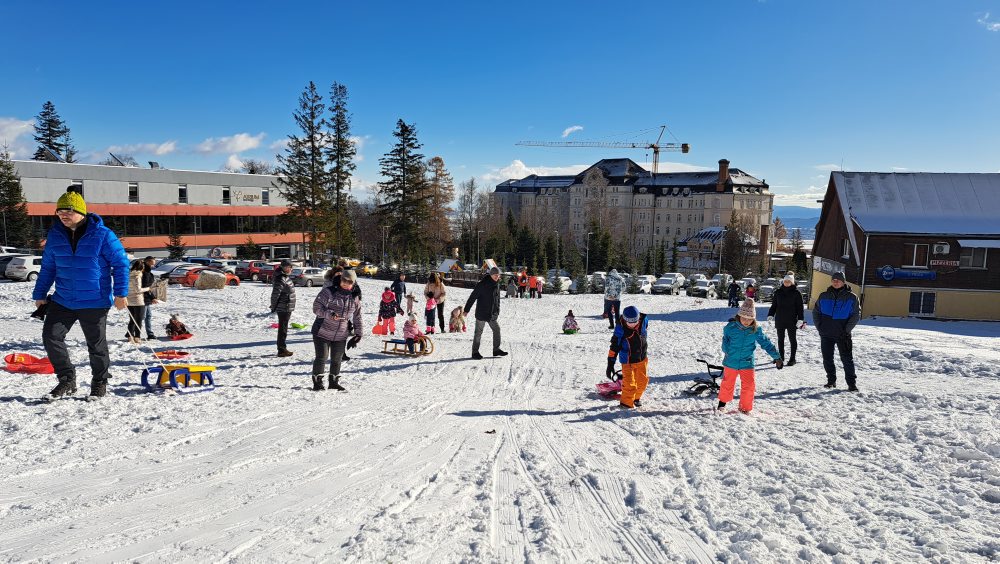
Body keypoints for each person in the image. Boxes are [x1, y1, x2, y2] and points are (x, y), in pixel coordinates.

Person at [32, 188, 130, 400]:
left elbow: (121, 264)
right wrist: (40, 294)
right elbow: (48, 267)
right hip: (63, 299)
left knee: (96, 345)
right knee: (51, 336)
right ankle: (67, 380)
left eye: (67, 211)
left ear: (81, 211)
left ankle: (99, 382)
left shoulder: (103, 235)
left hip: (95, 301)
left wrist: (121, 293)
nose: (62, 216)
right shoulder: (55, 235)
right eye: (59, 212)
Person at [718, 299, 782, 414]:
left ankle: (745, 407)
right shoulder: (730, 328)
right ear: (739, 316)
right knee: (727, 383)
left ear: (753, 319)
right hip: (731, 361)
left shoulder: (755, 330)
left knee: (749, 385)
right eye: (744, 318)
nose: (746, 321)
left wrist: (776, 356)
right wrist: (727, 351)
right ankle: (722, 403)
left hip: (747, 362)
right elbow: (725, 342)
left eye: (749, 319)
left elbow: (766, 343)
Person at [311, 269, 362, 391]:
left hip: (341, 333)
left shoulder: (354, 297)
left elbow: (357, 316)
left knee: (337, 358)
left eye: (349, 281)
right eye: (344, 280)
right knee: (322, 357)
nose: (346, 283)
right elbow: (316, 308)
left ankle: (333, 382)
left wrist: (358, 334)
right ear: (340, 279)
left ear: (353, 283)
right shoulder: (328, 292)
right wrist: (329, 314)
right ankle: (317, 382)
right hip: (322, 330)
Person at [813, 271, 861, 391]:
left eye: (838, 280)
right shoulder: (823, 295)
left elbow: (855, 315)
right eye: (834, 280)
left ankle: (851, 384)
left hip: (843, 335)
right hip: (826, 333)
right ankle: (831, 381)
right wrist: (820, 327)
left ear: (843, 282)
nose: (835, 282)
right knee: (827, 358)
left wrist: (846, 330)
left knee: (847, 359)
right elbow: (816, 312)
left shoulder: (852, 297)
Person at [606, 305, 649, 409]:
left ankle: (636, 398)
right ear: (625, 320)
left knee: (642, 382)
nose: (632, 325)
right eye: (630, 323)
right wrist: (610, 363)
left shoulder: (644, 321)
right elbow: (614, 346)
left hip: (642, 359)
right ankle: (626, 404)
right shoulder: (620, 329)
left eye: (635, 322)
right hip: (627, 361)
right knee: (629, 384)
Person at [464, 266, 507, 360]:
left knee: (497, 330)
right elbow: (472, 297)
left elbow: (497, 299)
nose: (497, 276)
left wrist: (497, 310)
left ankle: (496, 350)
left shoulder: (497, 284)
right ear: (491, 275)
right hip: (482, 313)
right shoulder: (482, 284)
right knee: (478, 333)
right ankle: (475, 352)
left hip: (492, 314)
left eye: (498, 275)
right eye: (495, 275)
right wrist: (466, 310)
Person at [767, 273, 805, 366]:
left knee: (792, 339)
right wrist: (771, 314)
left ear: (792, 282)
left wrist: (800, 319)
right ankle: (781, 357)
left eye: (788, 281)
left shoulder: (796, 293)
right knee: (780, 339)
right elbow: (774, 305)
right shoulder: (778, 292)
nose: (786, 283)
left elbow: (800, 308)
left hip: (792, 320)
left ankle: (792, 359)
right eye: (785, 281)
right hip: (780, 319)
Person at [270, 259, 296, 357]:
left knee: (283, 328)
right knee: (283, 329)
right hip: (284, 306)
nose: (291, 269)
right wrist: (273, 307)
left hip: (287, 306)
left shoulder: (284, 277)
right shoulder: (281, 278)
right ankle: (281, 349)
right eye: (289, 267)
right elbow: (275, 294)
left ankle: (282, 348)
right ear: (284, 267)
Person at [125, 259, 149, 343]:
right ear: (142, 267)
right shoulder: (137, 275)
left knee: (132, 319)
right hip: (137, 300)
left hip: (129, 299)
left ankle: (129, 335)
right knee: (139, 319)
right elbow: (138, 289)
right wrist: (148, 288)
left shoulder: (128, 275)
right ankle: (137, 336)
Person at [142, 256, 159, 339]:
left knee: (148, 316)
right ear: (147, 262)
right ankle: (132, 333)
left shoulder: (149, 272)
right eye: (152, 264)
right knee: (142, 317)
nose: (153, 266)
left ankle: (150, 334)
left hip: (147, 298)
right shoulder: (144, 272)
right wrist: (152, 297)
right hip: (142, 298)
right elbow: (145, 287)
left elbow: (149, 286)